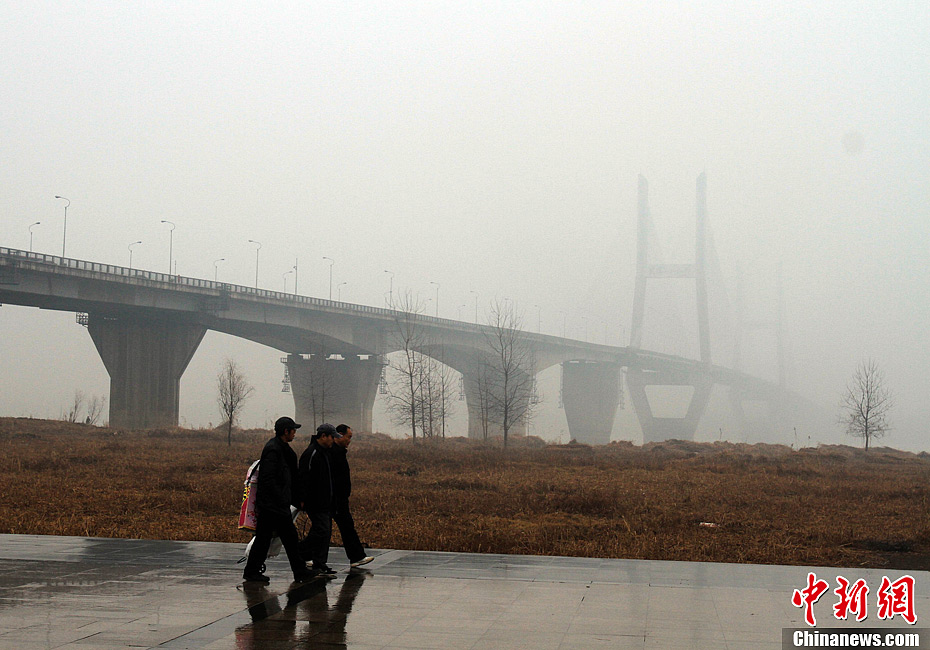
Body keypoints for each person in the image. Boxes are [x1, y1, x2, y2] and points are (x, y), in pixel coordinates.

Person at [242, 416, 314, 583]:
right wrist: (281, 499)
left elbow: (291, 478)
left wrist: (296, 498)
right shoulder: (273, 450)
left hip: (275, 503)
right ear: (285, 431)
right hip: (273, 505)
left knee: (267, 538)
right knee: (287, 538)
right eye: (293, 430)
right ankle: (299, 571)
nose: (295, 433)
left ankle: (252, 571)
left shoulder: (282, 449)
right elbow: (268, 479)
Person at [298, 423, 338, 577]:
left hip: (326, 501)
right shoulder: (312, 453)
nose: (333, 440)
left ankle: (320, 563)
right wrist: (302, 498)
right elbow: (303, 477)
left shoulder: (325, 452)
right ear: (323, 436)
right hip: (315, 501)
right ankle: (301, 551)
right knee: (321, 530)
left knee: (324, 532)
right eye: (332, 437)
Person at [331, 424, 374, 567]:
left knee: (339, 527)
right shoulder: (333, 453)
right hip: (336, 498)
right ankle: (357, 556)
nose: (349, 440)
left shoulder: (338, 452)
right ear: (339, 435)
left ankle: (356, 556)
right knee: (342, 527)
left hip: (339, 497)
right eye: (348, 437)